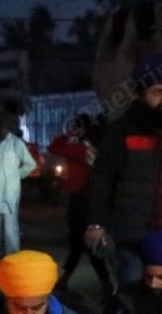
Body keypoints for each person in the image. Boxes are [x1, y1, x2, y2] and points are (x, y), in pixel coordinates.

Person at [85, 52, 162, 287]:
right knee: (133, 300)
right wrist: (96, 224)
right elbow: (103, 179)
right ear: (141, 94)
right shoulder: (122, 130)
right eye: (158, 92)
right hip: (134, 235)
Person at [49, 115, 112, 294]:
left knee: (82, 242)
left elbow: (54, 147)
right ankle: (67, 280)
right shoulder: (96, 149)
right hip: (93, 200)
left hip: (80, 200)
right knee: (83, 243)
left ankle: (106, 283)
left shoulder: (78, 149)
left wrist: (68, 134)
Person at [0, 113, 36, 263]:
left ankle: (12, 256)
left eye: (4, 122)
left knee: (10, 225)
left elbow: (31, 164)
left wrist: (16, 174)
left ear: (9, 125)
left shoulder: (16, 143)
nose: (1, 125)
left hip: (9, 191)